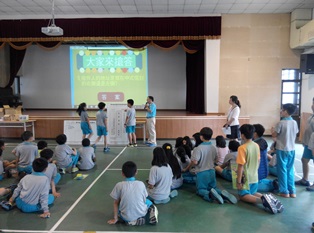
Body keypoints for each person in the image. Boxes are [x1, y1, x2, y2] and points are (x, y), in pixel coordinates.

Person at [236, 124, 283, 214]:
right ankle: (269, 198)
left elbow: (240, 166)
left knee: (243, 195)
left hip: (246, 177)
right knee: (253, 192)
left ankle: (263, 201)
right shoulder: (256, 145)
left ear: (242, 135)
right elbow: (258, 160)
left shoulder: (242, 148)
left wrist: (239, 181)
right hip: (254, 175)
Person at [191, 127, 237, 204]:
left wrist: (192, 164)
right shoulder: (214, 148)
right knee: (213, 188)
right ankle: (222, 193)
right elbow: (216, 160)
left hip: (202, 172)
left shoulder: (198, 148)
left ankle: (209, 195)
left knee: (201, 189)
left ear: (201, 137)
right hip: (212, 172)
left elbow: (195, 162)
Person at [108, 161, 158, 226]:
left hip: (125, 217)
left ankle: (130, 221)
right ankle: (152, 215)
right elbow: (144, 198)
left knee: (120, 204)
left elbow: (115, 203)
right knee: (150, 204)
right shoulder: (141, 184)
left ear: (122, 174)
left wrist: (115, 219)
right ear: (136, 172)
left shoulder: (119, 185)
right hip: (141, 213)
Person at [271, 103, 298, 198]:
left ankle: (284, 191)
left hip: (282, 149)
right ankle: (292, 190)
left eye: (282, 110)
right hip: (292, 149)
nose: (281, 111)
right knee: (289, 169)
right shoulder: (294, 122)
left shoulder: (281, 123)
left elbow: (274, 135)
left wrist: (272, 131)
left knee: (282, 170)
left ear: (286, 111)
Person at [295, 98, 314, 188]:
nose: (312, 106)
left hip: (313, 145)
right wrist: (304, 141)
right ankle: (305, 179)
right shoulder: (311, 116)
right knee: (304, 160)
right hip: (308, 143)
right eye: (312, 103)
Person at [253, 124, 277, 193]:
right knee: (260, 181)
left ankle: (273, 186)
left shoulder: (255, 145)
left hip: (258, 172)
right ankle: (274, 183)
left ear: (255, 133)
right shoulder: (263, 141)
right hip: (264, 170)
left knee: (248, 187)